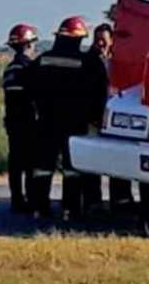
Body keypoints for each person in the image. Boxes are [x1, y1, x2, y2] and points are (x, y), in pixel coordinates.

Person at [27, 17, 108, 220]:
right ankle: (70, 209)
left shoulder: (42, 60)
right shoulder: (90, 63)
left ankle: (40, 207)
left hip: (47, 121)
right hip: (75, 123)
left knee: (43, 167)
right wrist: (96, 118)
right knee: (73, 169)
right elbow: (100, 93)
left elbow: (28, 89)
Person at [89, 23, 134, 211]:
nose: (100, 43)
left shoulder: (120, 63)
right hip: (94, 118)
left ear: (112, 41)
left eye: (104, 40)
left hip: (116, 120)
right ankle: (93, 201)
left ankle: (121, 200)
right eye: (97, 39)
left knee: (119, 160)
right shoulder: (88, 63)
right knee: (92, 162)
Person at [3, 24, 39, 214]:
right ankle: (31, 199)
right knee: (31, 163)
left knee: (16, 163)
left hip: (12, 121)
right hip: (27, 120)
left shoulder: (9, 69)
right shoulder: (29, 68)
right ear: (28, 45)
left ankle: (16, 199)